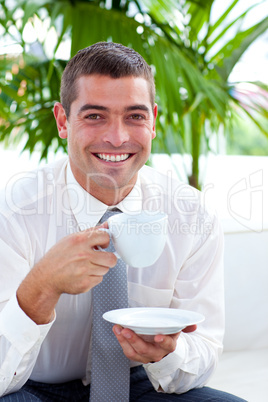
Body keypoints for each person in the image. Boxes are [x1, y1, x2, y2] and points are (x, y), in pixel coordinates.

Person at [0, 42, 245, 401]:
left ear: (154, 121)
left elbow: (204, 348)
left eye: (135, 116)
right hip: (32, 386)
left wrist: (166, 354)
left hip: (142, 382)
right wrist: (42, 286)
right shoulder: (14, 212)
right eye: (95, 116)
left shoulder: (193, 215)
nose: (117, 137)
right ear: (63, 121)